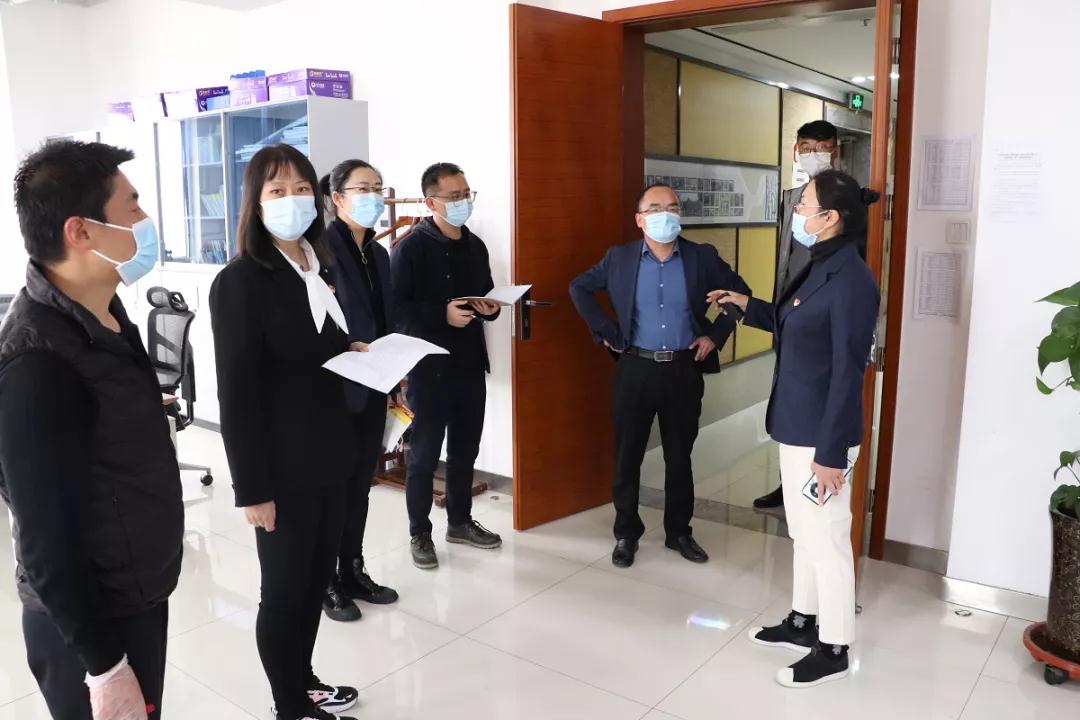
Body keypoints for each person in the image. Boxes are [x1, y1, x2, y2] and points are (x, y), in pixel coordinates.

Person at [0, 140, 183, 720]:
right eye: (132, 206)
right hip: (90, 623)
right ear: (80, 232)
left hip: (134, 586)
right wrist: (104, 666)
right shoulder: (37, 362)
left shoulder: (103, 312)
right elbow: (45, 540)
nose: (145, 220)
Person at [707, 170, 879, 688]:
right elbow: (797, 323)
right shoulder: (817, 261)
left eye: (804, 204)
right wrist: (748, 308)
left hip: (823, 436)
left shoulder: (852, 280)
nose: (796, 212)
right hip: (795, 422)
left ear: (831, 217)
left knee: (828, 537)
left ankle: (835, 646)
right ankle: (803, 620)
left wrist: (831, 454)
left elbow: (848, 372)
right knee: (803, 532)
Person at [210, 144, 361, 720]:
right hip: (281, 468)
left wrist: (355, 351)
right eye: (277, 191)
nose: (292, 199)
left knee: (316, 580)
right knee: (284, 592)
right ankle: (288, 706)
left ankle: (303, 681)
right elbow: (237, 394)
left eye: (301, 188)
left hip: (330, 455)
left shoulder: (316, 269)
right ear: (256, 203)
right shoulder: (241, 281)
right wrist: (252, 490)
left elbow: (313, 353)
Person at [568, 183, 751, 569]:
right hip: (635, 368)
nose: (664, 214)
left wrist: (715, 335)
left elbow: (740, 293)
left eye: (672, 207)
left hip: (684, 369)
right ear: (640, 219)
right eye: (655, 208)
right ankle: (626, 533)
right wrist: (605, 330)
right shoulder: (619, 258)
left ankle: (679, 532)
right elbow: (579, 288)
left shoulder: (701, 257)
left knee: (679, 457)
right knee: (628, 456)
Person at [391, 162, 503, 570]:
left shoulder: (475, 246)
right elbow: (396, 312)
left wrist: (490, 308)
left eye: (466, 195)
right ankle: (419, 532)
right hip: (428, 369)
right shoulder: (409, 249)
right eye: (453, 196)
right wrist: (442, 314)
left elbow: (484, 294)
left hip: (469, 363)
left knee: (465, 449)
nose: (462, 202)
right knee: (423, 456)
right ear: (430, 202)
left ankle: (459, 521)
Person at [318, 160, 400, 621]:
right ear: (337, 198)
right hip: (335, 388)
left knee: (360, 485)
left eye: (378, 188)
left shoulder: (380, 254)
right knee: (335, 486)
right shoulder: (320, 251)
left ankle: (353, 569)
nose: (373, 197)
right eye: (362, 188)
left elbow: (385, 319)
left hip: (374, 384)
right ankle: (327, 579)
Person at [754, 119, 841, 511]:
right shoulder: (791, 198)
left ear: (834, 151)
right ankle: (786, 482)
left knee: (814, 399)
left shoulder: (846, 197)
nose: (813, 154)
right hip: (788, 313)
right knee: (787, 397)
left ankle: (817, 479)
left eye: (821, 147)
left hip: (818, 319)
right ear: (796, 151)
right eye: (806, 147)